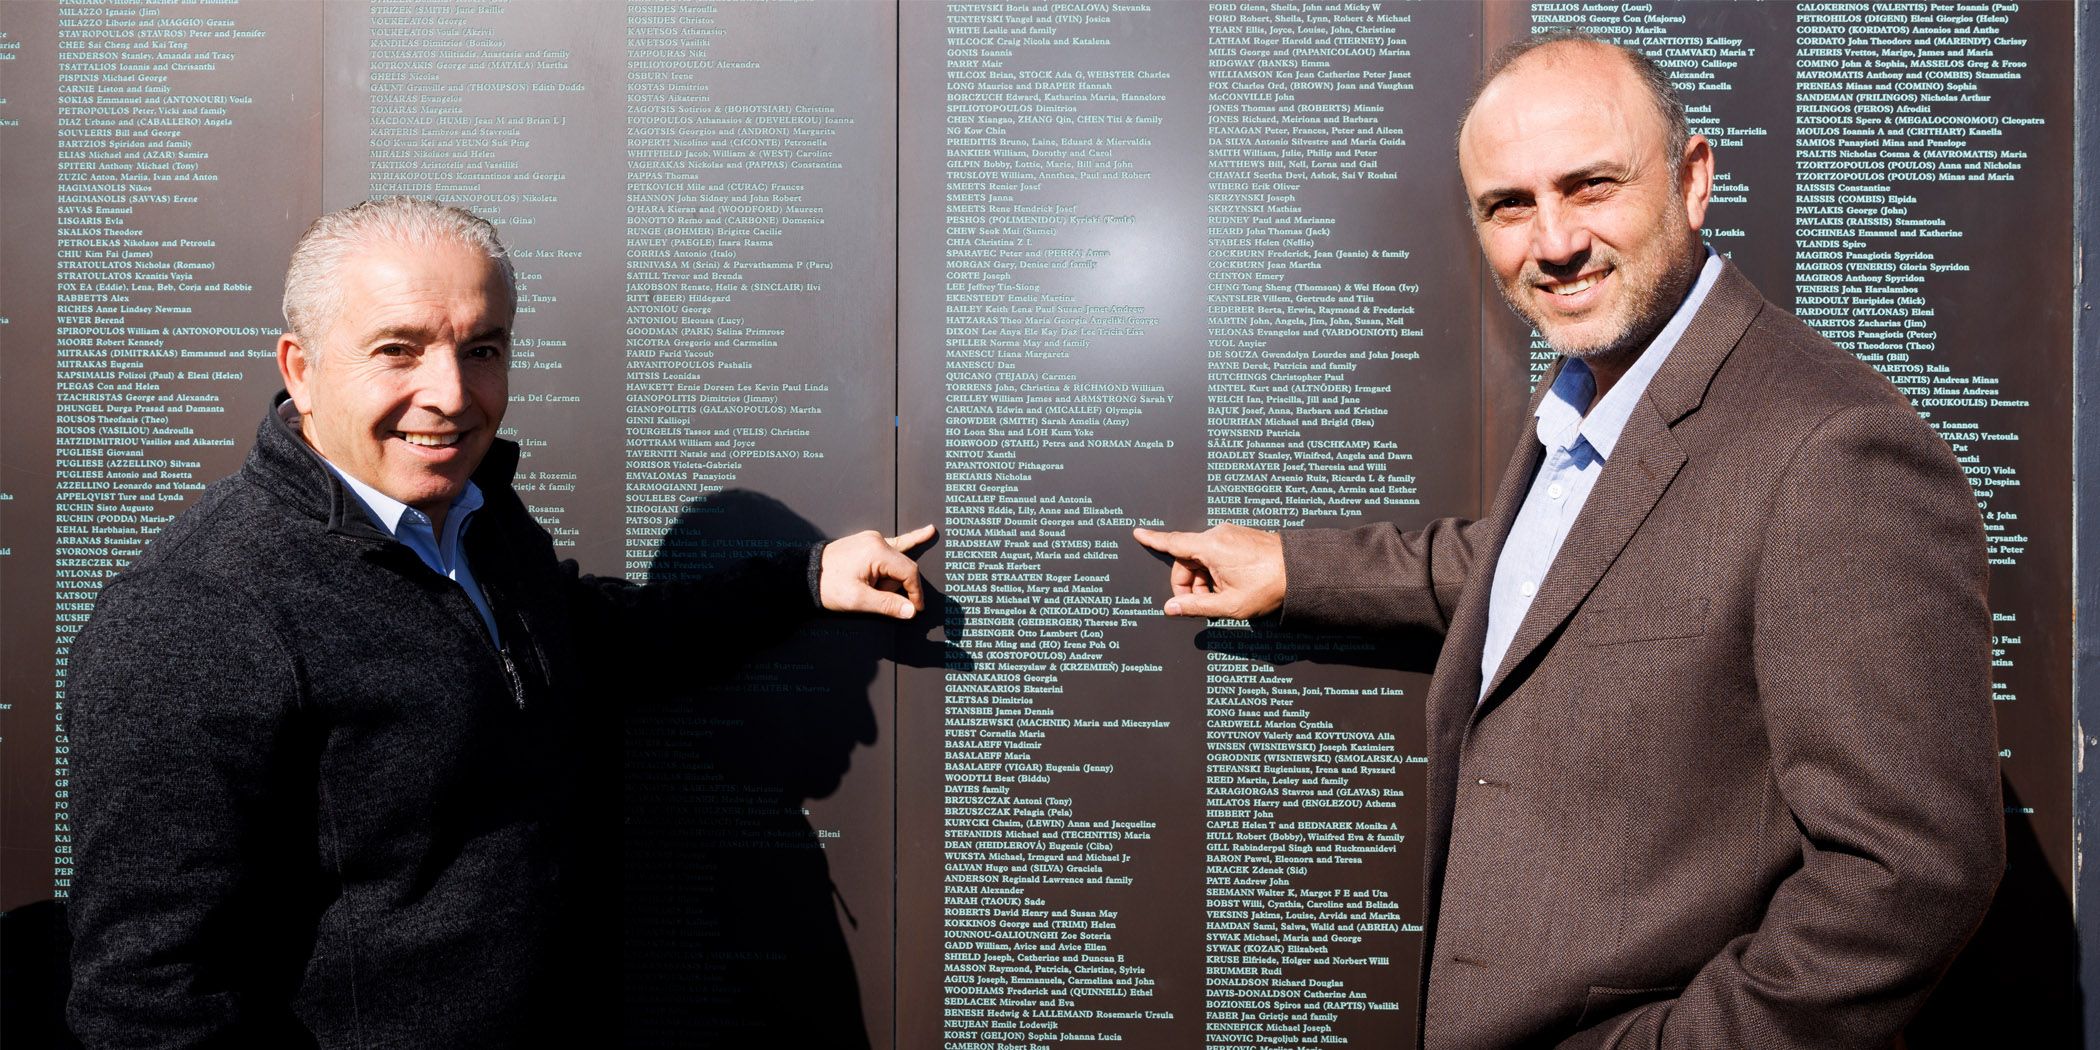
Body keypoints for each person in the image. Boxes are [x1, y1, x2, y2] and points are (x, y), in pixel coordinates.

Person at [1134, 32, 2003, 1048]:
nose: (1552, 242)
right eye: (1509, 205)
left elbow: (1912, 872)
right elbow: (1561, 571)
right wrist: (1297, 570)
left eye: (1591, 186)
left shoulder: (1835, 449)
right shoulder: (1599, 389)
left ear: (1692, 180)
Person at [65, 197, 933, 1048]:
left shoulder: (475, 515)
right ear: (301, 368)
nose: (450, 395)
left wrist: (801, 581)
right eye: (397, 350)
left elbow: (583, 635)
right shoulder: (193, 614)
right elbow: (150, 1003)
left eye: (481, 349)